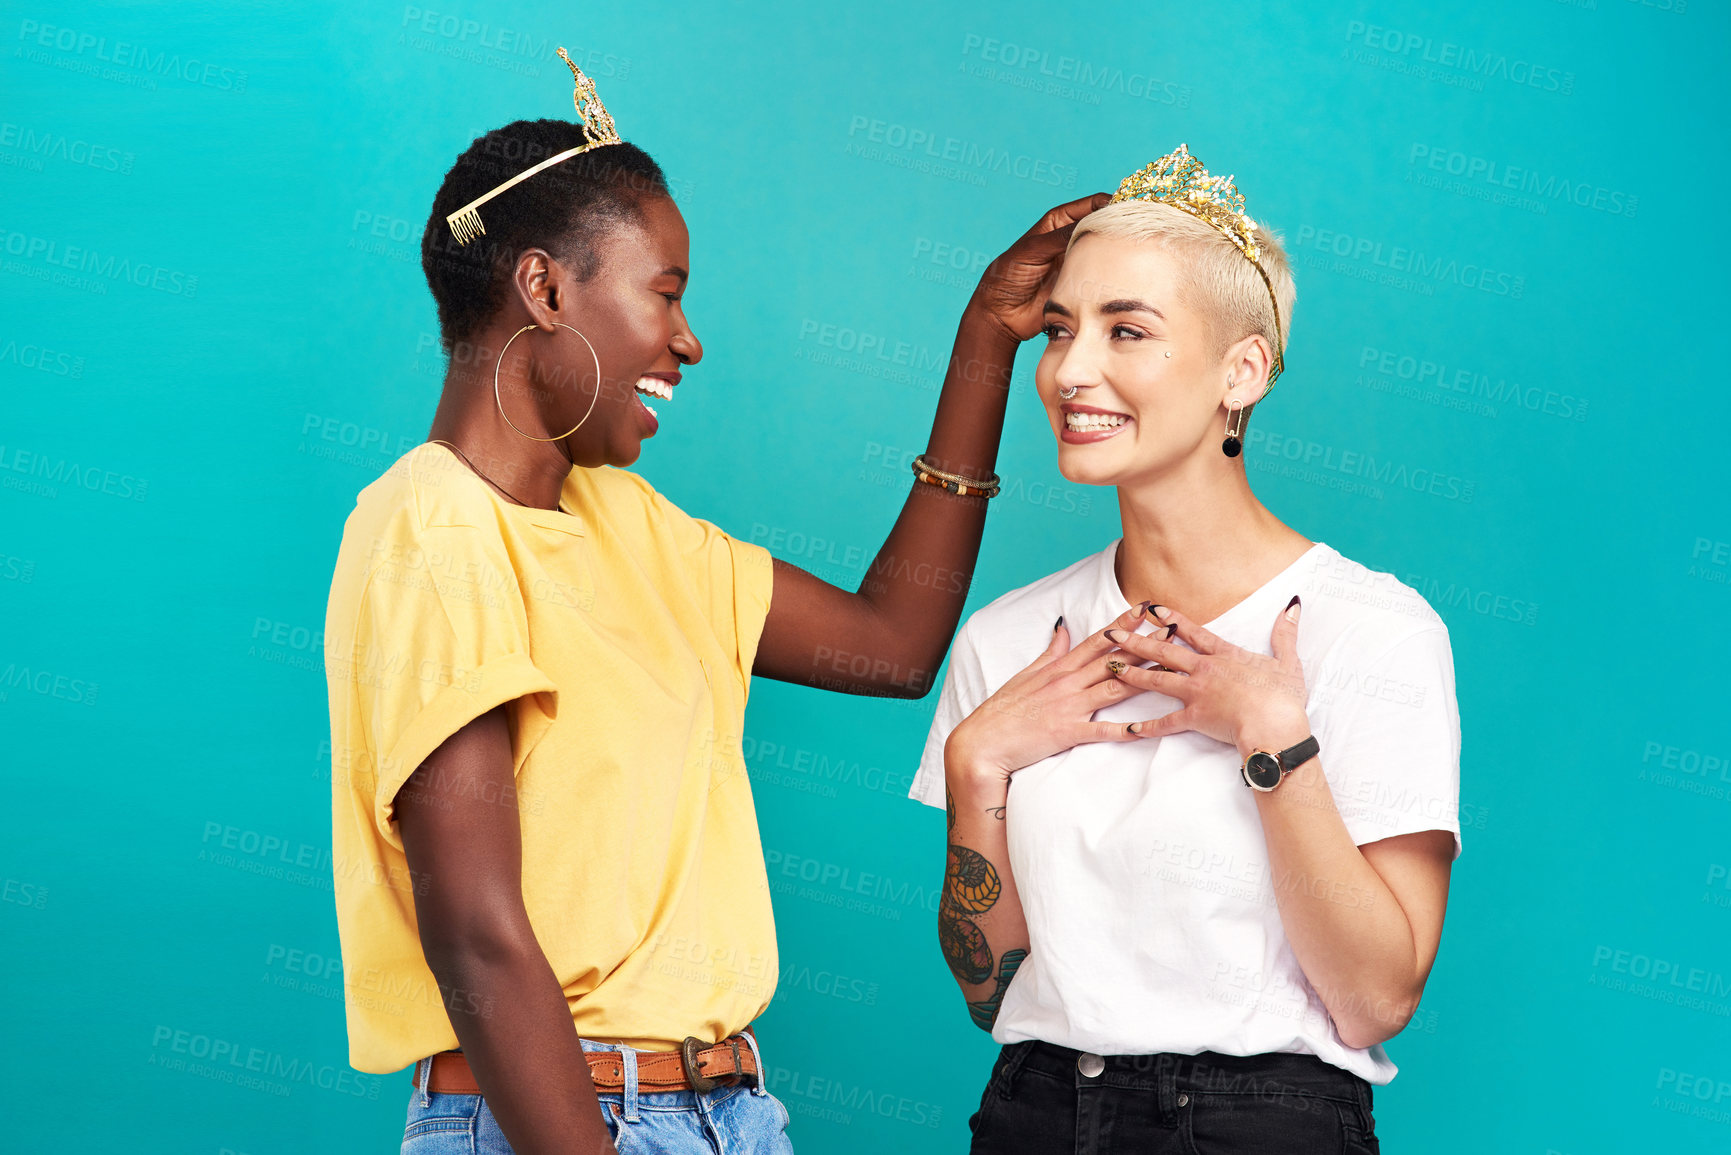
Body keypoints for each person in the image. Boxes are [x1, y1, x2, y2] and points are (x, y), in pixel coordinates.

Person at [323, 46, 1107, 1155]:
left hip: (727, 1114)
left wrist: (985, 339)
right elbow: (478, 932)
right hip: (560, 1121)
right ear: (545, 288)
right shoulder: (433, 530)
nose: (687, 340)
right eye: (666, 294)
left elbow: (893, 645)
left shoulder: (627, 524)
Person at [908, 145, 1462, 1155]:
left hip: (1264, 1124)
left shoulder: (1373, 629)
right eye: (1061, 330)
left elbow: (1378, 998)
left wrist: (1272, 734)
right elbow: (993, 994)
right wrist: (975, 764)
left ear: (1241, 370)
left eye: (1128, 330)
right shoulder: (1007, 639)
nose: (1070, 371)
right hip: (1033, 1113)